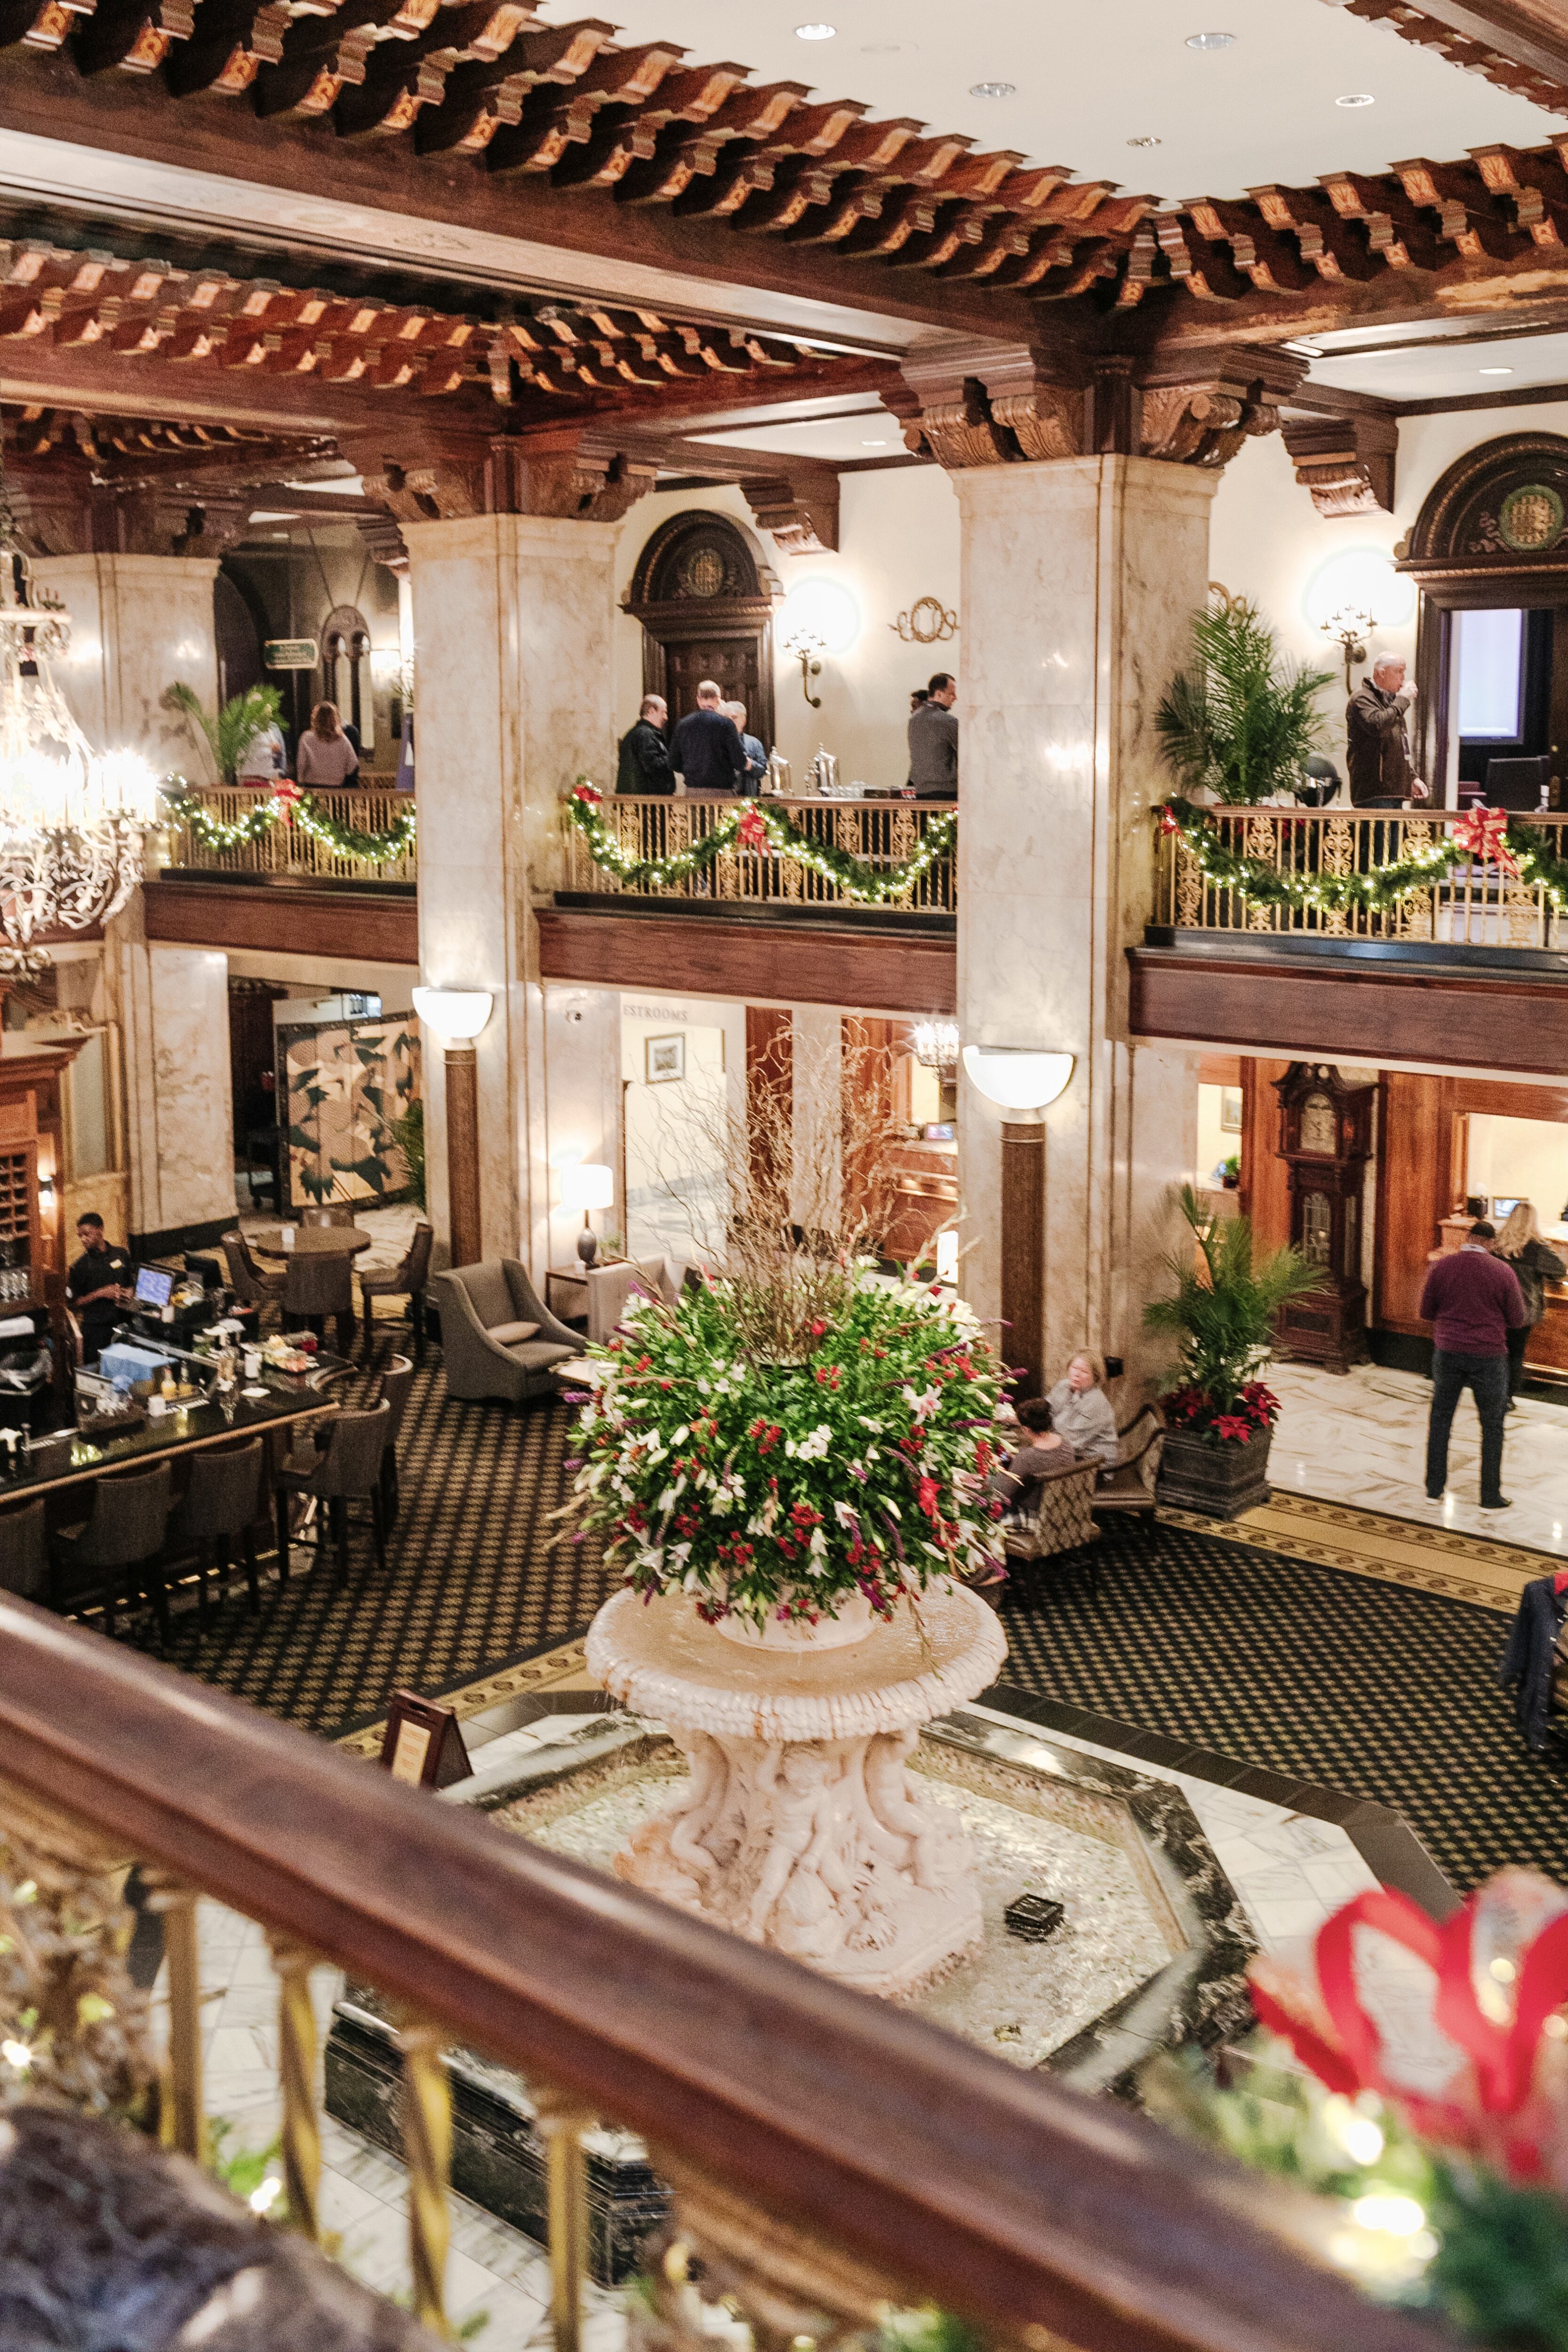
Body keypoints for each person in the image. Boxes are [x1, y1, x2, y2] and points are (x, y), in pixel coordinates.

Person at [1418, 1220, 1527, 1510]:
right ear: (1490, 1243)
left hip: (1448, 1350)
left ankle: (1433, 1489)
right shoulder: (1503, 1272)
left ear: (1467, 1237)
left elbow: (1426, 1311)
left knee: (1441, 1417)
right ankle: (1490, 1496)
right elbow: (1517, 1319)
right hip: (1489, 1356)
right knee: (1492, 1424)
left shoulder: (1443, 1267)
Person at [1491, 1203, 1566, 1403]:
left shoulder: (1497, 1245)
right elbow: (1560, 1270)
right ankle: (1506, 1398)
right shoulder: (1537, 1249)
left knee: (1496, 1351)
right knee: (1515, 1353)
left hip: (1496, 1309)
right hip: (1523, 1310)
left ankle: (1491, 1394)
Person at [1346, 655, 1429, 810]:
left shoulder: (1391, 702)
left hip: (1392, 791)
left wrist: (1411, 778)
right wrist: (1403, 700)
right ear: (1382, 673)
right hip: (1375, 792)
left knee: (1395, 835)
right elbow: (1378, 725)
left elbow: (1397, 747)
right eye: (1399, 671)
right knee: (1378, 835)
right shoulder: (1362, 698)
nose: (1403, 678)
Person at [985, 1396, 1076, 1523]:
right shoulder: (1065, 1442)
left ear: (1026, 1429)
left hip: (1037, 1515)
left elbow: (1002, 1492)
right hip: (1064, 1509)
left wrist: (994, 1466)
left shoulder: (1027, 1457)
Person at [66, 1212, 134, 1367]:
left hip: (123, 1322)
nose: (83, 1239)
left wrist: (129, 1293)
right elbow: (73, 1303)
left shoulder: (121, 1254)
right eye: (80, 1236)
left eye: (87, 1234)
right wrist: (101, 1293)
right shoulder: (80, 1267)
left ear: (101, 1230)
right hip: (97, 1329)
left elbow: (131, 1284)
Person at [1045, 1351, 1120, 1472]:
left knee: (1029, 1461)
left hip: (1093, 1464)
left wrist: (1040, 1440)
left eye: (1084, 1372)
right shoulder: (1064, 1386)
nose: (1077, 1374)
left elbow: (1073, 1442)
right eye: (1074, 1368)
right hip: (1067, 1451)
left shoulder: (1096, 1402)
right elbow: (1044, 1410)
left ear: (1095, 1377)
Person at [671, 680, 747, 797]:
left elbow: (673, 763)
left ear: (698, 699)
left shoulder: (683, 725)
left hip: (693, 793)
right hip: (721, 793)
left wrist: (692, 770)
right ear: (718, 699)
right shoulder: (726, 724)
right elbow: (740, 762)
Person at [907, 671, 957, 800]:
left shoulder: (914, 720)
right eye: (951, 693)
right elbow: (967, 753)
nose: (955, 698)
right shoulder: (947, 721)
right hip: (947, 790)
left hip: (921, 791)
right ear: (939, 694)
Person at [296, 701, 359, 790]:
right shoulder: (342, 739)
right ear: (335, 719)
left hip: (312, 787)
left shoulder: (307, 737)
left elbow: (301, 764)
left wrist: (300, 782)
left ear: (315, 718)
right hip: (336, 788)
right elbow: (353, 764)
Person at [617, 695, 673, 794]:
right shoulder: (645, 735)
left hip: (637, 801)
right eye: (664, 712)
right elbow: (653, 766)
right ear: (651, 711)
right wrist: (673, 758)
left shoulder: (639, 733)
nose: (666, 717)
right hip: (645, 803)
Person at [724, 700, 768, 786]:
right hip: (723, 794)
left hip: (747, 795)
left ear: (744, 721)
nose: (730, 721)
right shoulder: (716, 742)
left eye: (734, 717)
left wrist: (749, 764)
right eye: (726, 717)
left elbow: (762, 771)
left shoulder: (754, 743)